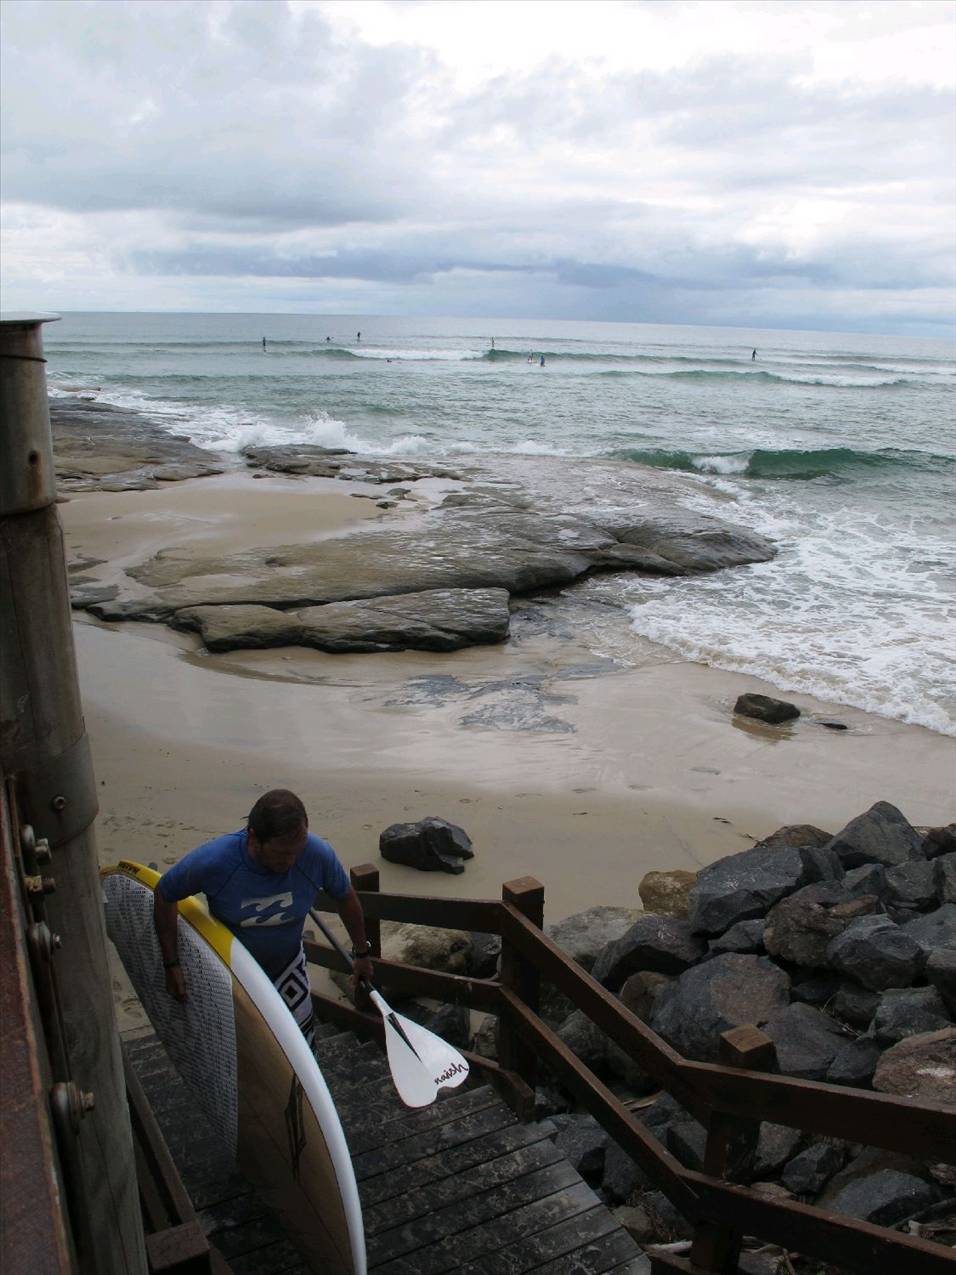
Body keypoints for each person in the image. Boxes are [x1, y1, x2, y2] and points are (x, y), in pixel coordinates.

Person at [153, 789, 373, 1047]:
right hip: (232, 971)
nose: (290, 861)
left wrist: (361, 953)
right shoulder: (215, 862)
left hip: (288, 966)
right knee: (242, 1047)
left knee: (300, 1046)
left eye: (297, 851)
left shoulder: (317, 855)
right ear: (253, 838)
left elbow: (345, 897)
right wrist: (171, 964)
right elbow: (165, 894)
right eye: (281, 854)